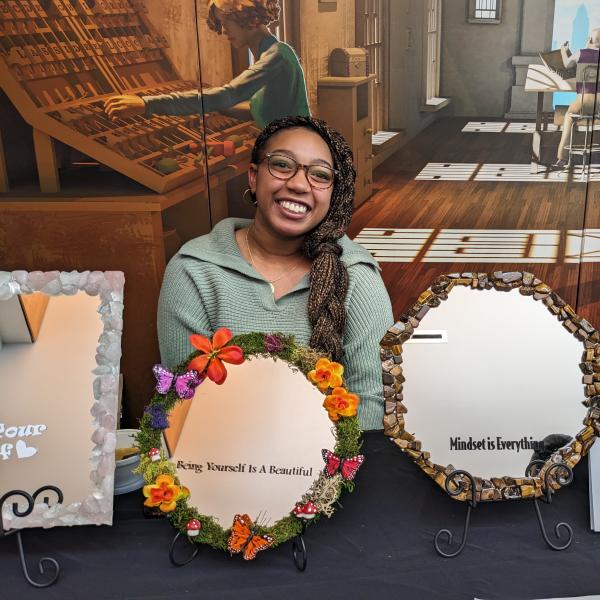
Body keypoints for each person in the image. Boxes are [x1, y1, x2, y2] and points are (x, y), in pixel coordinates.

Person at [157, 116, 394, 430]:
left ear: (332, 194)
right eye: (282, 165)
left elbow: (371, 401)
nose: (298, 184)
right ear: (254, 177)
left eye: (320, 174)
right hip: (223, 463)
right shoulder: (194, 271)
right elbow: (184, 400)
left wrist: (330, 477)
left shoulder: (357, 275)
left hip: (334, 469)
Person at [104, 0, 309, 128]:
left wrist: (147, 104)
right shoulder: (273, 53)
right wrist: (215, 107)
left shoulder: (277, 56)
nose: (223, 30)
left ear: (248, 17)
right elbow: (263, 110)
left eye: (226, 21)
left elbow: (227, 95)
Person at [554, 28, 600, 168]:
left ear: (589, 40)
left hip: (583, 100)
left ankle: (562, 157)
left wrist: (564, 50)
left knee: (569, 116)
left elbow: (567, 64)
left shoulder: (581, 53)